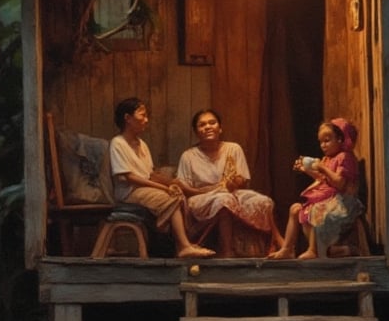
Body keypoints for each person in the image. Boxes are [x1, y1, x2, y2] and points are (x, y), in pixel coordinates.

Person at [109, 97, 214, 259]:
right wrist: (164, 188)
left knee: (177, 194)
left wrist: (172, 184)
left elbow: (150, 174)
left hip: (144, 189)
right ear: (128, 118)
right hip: (129, 192)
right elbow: (129, 177)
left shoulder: (142, 144)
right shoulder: (118, 143)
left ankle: (183, 244)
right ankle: (184, 246)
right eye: (142, 115)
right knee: (167, 197)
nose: (146, 120)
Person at [176, 109, 281, 257]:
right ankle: (227, 251)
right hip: (200, 198)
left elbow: (242, 180)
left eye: (212, 123)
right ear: (196, 131)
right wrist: (210, 191)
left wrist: (234, 183)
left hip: (231, 192)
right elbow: (184, 188)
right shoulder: (188, 156)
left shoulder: (233, 149)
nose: (208, 127)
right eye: (202, 125)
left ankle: (273, 246)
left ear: (220, 128)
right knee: (224, 200)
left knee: (263, 201)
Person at [268, 118, 364, 260]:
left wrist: (322, 168)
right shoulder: (327, 159)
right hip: (328, 198)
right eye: (321, 142)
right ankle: (287, 248)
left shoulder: (345, 157)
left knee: (316, 209)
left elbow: (340, 183)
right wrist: (306, 169)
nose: (323, 145)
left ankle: (314, 250)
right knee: (295, 209)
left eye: (327, 140)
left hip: (342, 202)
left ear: (339, 139)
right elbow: (322, 179)